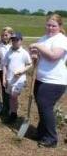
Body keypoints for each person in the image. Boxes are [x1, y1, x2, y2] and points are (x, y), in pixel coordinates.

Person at [29, 14, 67, 148]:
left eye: (54, 25)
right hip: (41, 78)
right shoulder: (43, 39)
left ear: (60, 27)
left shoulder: (61, 40)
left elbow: (53, 56)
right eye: (49, 25)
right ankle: (41, 132)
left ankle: (51, 138)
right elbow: (39, 57)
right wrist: (33, 54)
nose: (50, 28)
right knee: (42, 106)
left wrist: (38, 47)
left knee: (45, 106)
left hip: (55, 81)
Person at [2, 32, 32, 124]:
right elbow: (5, 65)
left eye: (17, 40)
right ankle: (13, 113)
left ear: (21, 41)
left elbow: (30, 64)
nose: (15, 42)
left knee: (14, 96)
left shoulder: (24, 53)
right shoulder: (9, 52)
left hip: (19, 79)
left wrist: (22, 71)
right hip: (9, 78)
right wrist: (4, 78)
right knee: (11, 97)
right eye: (13, 40)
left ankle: (13, 114)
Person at [0, 27, 13, 117]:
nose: (4, 37)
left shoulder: (12, 45)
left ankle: (11, 108)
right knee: (3, 89)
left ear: (10, 35)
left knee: (10, 90)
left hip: (11, 70)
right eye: (3, 35)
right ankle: (5, 107)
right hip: (1, 69)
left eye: (6, 35)